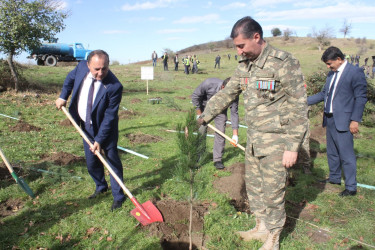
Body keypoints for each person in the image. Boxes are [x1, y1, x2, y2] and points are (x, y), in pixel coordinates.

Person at [197, 16, 308, 249]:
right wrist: (204, 116)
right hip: (255, 141)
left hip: (277, 142)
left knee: (274, 191)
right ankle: (261, 227)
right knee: (255, 188)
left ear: (256, 37)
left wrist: (292, 146)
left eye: (241, 46)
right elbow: (227, 94)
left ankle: (274, 238)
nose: (239, 52)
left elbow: (299, 106)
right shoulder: (244, 66)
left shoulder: (284, 62)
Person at [55, 50, 126, 211]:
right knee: (91, 161)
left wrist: (99, 140)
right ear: (88, 65)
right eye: (96, 69)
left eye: (105, 69)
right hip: (85, 124)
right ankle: (101, 187)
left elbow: (110, 116)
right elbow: (70, 79)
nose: (101, 73)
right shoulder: (80, 67)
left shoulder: (114, 86)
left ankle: (119, 196)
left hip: (105, 128)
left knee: (112, 160)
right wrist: (63, 96)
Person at [308, 46, 367, 197]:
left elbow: (360, 98)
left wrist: (355, 120)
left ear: (339, 59)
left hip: (345, 120)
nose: (328, 67)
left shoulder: (355, 73)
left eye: (329, 63)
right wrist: (303, 101)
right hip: (330, 118)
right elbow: (323, 94)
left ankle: (351, 187)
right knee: (332, 151)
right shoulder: (331, 73)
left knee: (346, 155)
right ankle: (334, 178)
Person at [192, 77, 239, 170]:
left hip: (221, 110)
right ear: (222, 87)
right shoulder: (209, 83)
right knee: (201, 131)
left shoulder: (234, 94)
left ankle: (217, 159)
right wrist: (199, 113)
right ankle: (198, 157)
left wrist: (235, 135)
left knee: (220, 132)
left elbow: (234, 113)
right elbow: (195, 96)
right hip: (205, 108)